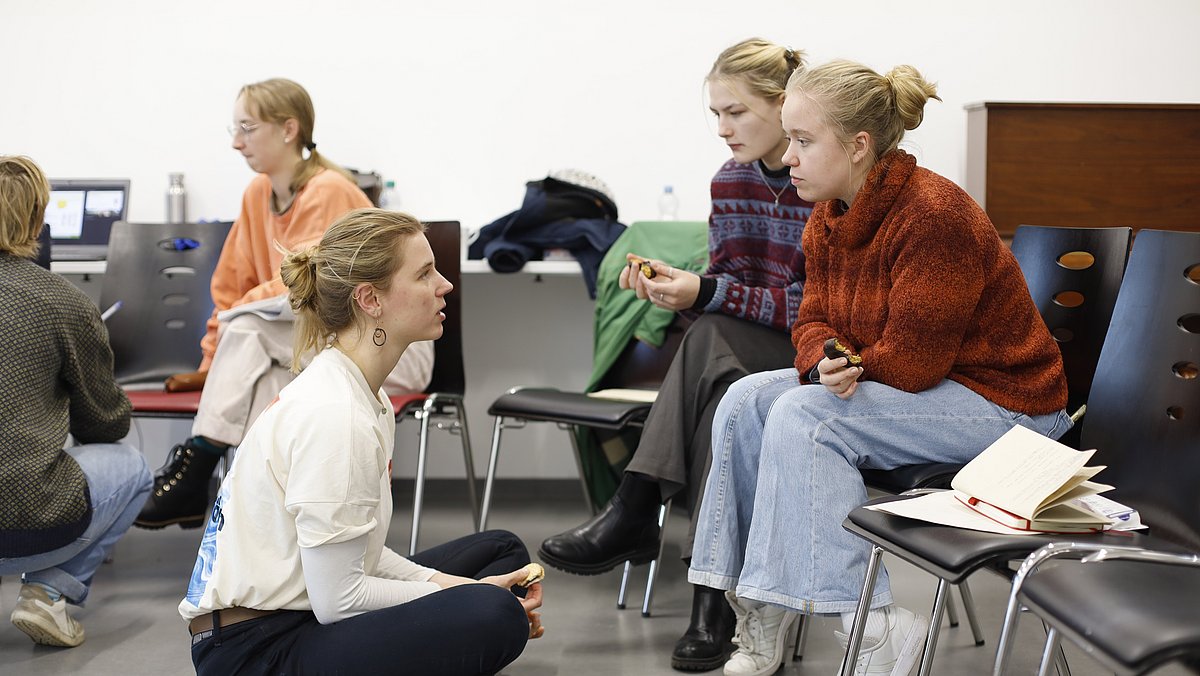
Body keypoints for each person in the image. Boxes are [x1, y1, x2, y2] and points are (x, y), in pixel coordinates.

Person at [687, 59, 1074, 676]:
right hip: (926, 389)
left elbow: (916, 365)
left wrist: (845, 368)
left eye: (804, 141)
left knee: (809, 417)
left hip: (1010, 409)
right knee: (744, 400)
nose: (789, 157)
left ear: (859, 146)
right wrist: (825, 361)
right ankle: (758, 608)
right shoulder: (829, 215)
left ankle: (874, 630)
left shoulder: (933, 214)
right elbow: (810, 321)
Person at [538, 38, 813, 672]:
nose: (722, 129)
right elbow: (724, 299)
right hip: (743, 354)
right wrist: (676, 295)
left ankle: (637, 507)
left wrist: (707, 294)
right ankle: (712, 605)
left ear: (783, 105)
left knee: (710, 341)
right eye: (715, 114)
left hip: (814, 354)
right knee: (719, 388)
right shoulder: (732, 181)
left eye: (736, 113)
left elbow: (810, 310)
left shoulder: (821, 181)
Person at [181, 208, 542, 675]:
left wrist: (461, 586)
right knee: (494, 614)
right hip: (254, 651)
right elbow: (342, 599)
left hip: (296, 612)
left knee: (502, 552)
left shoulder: (362, 392)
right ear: (370, 299)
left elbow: (361, 557)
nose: (444, 285)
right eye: (425, 274)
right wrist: (469, 596)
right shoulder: (336, 415)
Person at [136, 78, 433, 530]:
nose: (237, 143)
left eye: (247, 128)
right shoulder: (257, 195)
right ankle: (261, 521)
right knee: (266, 377)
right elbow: (230, 287)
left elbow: (298, 284)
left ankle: (202, 467)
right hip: (318, 351)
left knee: (251, 329)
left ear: (288, 129)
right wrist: (216, 363)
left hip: (388, 348)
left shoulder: (329, 191)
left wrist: (232, 334)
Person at [0, 155, 152, 648]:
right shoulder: (64, 303)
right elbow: (105, 425)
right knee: (133, 469)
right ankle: (48, 593)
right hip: (24, 525)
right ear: (38, 221)